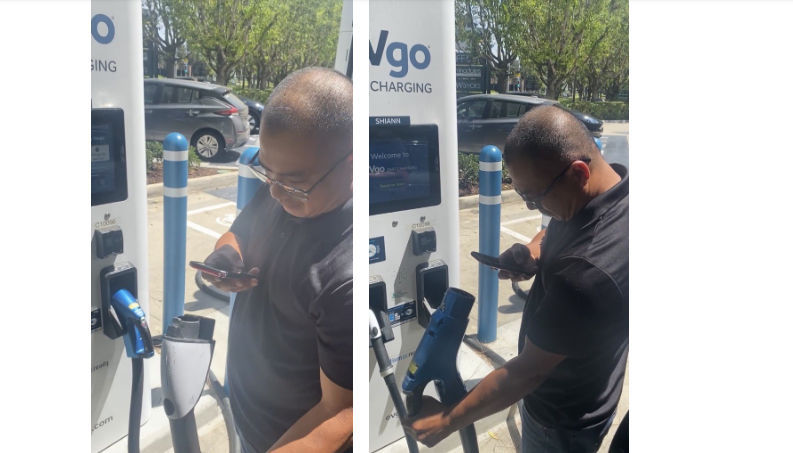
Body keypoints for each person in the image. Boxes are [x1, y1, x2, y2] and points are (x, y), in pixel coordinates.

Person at [403, 105, 628, 453]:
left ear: (579, 172)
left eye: (534, 197)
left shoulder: (586, 274)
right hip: (594, 389)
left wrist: (447, 421)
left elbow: (525, 373)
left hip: (561, 419)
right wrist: (534, 253)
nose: (529, 208)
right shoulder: (612, 187)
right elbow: (562, 227)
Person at [201, 67, 353, 453]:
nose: (276, 195)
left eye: (292, 185)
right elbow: (242, 230)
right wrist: (227, 254)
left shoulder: (347, 274)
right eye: (267, 174)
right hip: (249, 422)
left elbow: (343, 413)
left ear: (352, 163)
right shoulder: (282, 185)